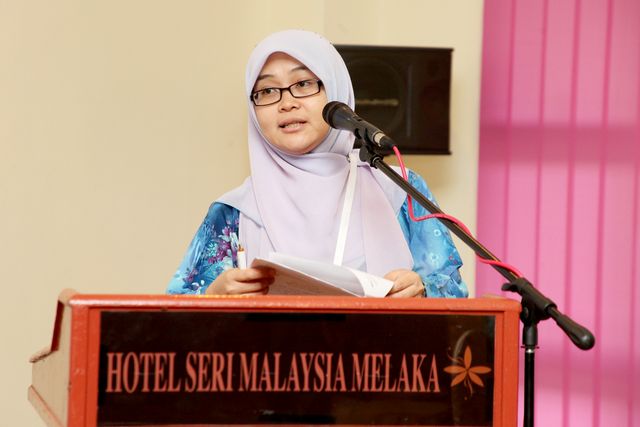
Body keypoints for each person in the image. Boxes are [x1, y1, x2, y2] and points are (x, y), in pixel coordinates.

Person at [167, 30, 468, 299]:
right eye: (267, 90)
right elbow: (174, 312)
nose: (287, 103)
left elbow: (454, 290)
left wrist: (423, 288)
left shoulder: (399, 190)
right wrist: (213, 295)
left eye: (303, 83)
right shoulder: (234, 212)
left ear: (336, 90)